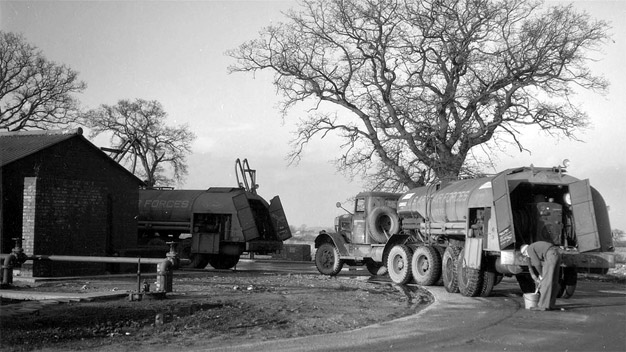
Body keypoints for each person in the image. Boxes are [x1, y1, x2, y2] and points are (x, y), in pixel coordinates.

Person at [521, 241, 562, 311]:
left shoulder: (529, 249)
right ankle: (551, 305)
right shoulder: (534, 246)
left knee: (546, 283)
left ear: (525, 252)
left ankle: (542, 306)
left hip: (550, 255)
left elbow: (536, 263)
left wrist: (541, 275)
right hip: (557, 253)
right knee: (553, 281)